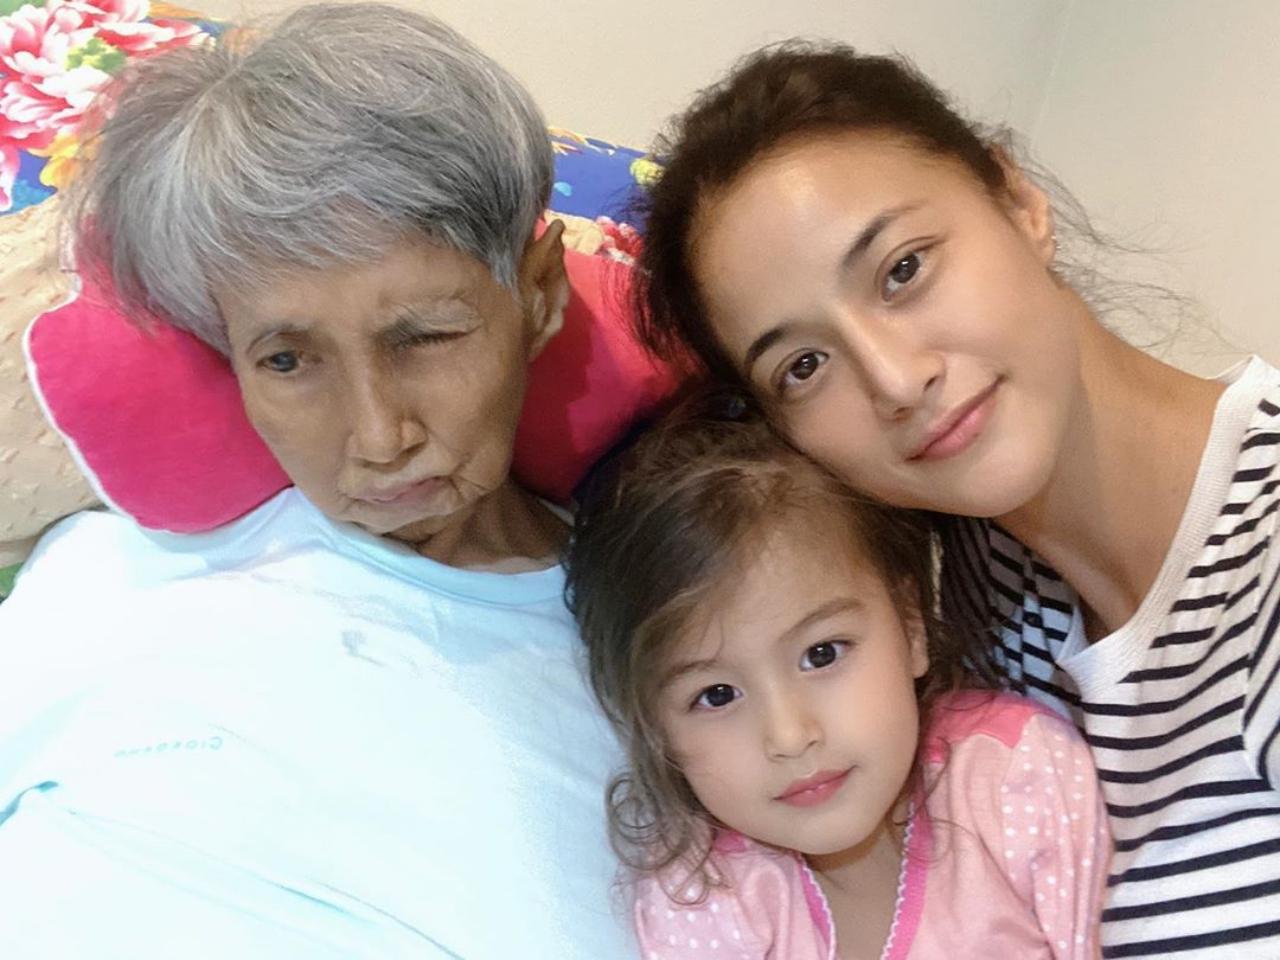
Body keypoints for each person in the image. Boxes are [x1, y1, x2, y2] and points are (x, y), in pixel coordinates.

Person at [0, 5, 631, 956]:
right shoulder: (106, 577)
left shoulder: (677, 645)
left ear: (539, 296)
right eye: (288, 360)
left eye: (425, 336)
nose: (378, 437)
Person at [631, 40, 1280, 958]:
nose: (896, 380)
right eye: (804, 366)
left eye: (903, 269)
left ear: (1017, 202)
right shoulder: (978, 574)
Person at [564, 396, 1109, 958]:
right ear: (657, 729)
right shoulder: (703, 900)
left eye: (822, 654)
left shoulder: (1013, 778)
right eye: (717, 695)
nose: (789, 735)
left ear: (910, 625)